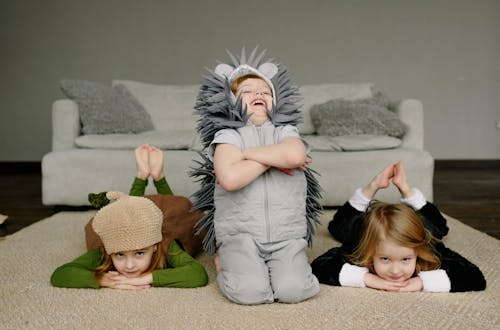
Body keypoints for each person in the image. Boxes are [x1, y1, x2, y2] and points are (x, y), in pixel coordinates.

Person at [204, 58, 320, 305]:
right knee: (250, 292)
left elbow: (296, 155)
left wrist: (247, 155)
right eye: (247, 91)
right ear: (232, 101)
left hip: (286, 235)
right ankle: (225, 265)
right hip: (241, 236)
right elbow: (231, 178)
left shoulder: (285, 131)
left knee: (294, 291)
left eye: (265, 91)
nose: (258, 94)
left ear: (274, 100)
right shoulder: (227, 136)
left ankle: (276, 269)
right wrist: (273, 159)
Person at [311, 161, 486, 292]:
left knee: (438, 227)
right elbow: (319, 266)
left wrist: (422, 282)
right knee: (340, 226)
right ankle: (373, 185)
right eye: (385, 259)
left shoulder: (429, 249)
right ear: (371, 254)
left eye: (405, 259)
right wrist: (367, 278)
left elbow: (474, 277)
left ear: (418, 252)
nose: (396, 271)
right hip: (363, 230)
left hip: (423, 229)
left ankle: (406, 189)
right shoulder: (361, 246)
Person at [51, 145, 208, 289]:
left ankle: (157, 177)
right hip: (124, 220)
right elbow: (60, 274)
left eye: (139, 253)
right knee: (124, 214)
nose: (129, 265)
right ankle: (142, 175)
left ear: (154, 247)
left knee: (177, 212)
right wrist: (101, 279)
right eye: (120, 255)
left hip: (166, 224)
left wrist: (148, 278)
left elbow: (198, 275)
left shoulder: (165, 245)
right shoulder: (105, 249)